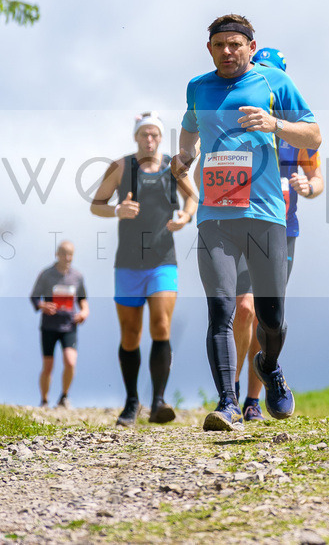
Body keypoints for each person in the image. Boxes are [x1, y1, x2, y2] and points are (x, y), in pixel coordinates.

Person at [172, 14, 321, 432]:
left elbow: (314, 135)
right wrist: (183, 158)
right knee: (221, 308)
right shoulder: (198, 87)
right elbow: (188, 135)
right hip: (215, 217)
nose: (228, 51)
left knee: (270, 319)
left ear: (251, 47)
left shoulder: (274, 83)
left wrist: (276, 125)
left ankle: (269, 366)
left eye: (236, 44)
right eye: (220, 44)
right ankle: (228, 403)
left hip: (266, 215)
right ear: (210, 49)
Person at [228, 47, 324, 423]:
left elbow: (318, 182)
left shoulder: (297, 133)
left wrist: (306, 186)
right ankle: (229, 392)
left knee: (269, 318)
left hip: (284, 230)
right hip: (242, 226)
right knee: (244, 309)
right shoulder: (242, 121)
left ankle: (255, 398)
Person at [90, 111, 198, 427]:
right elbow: (96, 205)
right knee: (130, 334)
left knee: (162, 326)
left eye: (154, 135)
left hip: (163, 260)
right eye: (144, 134)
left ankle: (159, 401)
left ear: (161, 138)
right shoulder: (121, 167)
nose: (149, 140)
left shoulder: (172, 166)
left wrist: (185, 217)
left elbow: (193, 198)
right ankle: (131, 401)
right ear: (136, 137)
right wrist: (116, 210)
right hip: (127, 263)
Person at [29, 240, 88, 408]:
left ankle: (64, 396)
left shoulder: (77, 276)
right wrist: (42, 306)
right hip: (49, 326)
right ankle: (44, 400)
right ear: (57, 254)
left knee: (70, 361)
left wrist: (84, 312)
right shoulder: (46, 274)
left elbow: (83, 299)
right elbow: (34, 296)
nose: (67, 258)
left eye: (70, 254)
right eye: (64, 254)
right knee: (48, 366)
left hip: (69, 325)